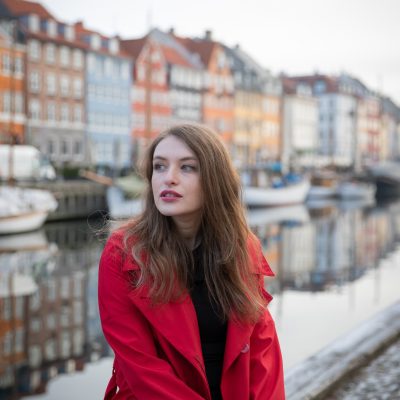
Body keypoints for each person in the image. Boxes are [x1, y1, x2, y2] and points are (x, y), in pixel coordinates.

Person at [98, 123, 285, 399]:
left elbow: (262, 352)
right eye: (159, 166)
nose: (168, 178)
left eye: (187, 167)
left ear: (214, 180)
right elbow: (141, 367)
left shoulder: (243, 248)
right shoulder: (123, 253)